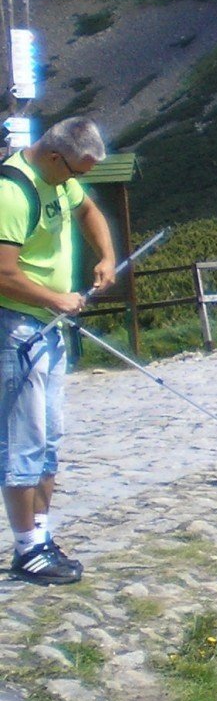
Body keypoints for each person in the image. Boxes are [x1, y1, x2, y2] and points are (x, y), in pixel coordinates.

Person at [0, 118, 115, 586]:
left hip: (49, 325)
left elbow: (88, 212)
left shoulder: (60, 181)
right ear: (53, 157)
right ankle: (26, 548)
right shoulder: (12, 193)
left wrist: (105, 255)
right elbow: (4, 274)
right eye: (76, 171)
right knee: (23, 439)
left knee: (49, 434)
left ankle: (42, 535)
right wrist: (54, 298)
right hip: (17, 326)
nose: (78, 182)